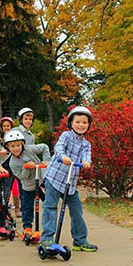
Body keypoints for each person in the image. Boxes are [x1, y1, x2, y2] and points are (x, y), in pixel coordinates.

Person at [40, 106, 98, 252]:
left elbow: (86, 156)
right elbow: (59, 147)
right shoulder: (66, 136)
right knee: (50, 207)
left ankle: (80, 241)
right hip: (54, 178)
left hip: (70, 183)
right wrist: (62, 156)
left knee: (77, 209)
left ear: (88, 125)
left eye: (84, 122)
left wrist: (87, 162)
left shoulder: (86, 144)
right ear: (71, 123)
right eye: (78, 122)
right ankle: (47, 239)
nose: (81, 125)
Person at [5, 130, 50, 235]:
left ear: (23, 144)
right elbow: (22, 177)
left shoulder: (29, 149)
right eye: (12, 146)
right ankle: (27, 228)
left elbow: (44, 147)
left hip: (41, 180)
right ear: (8, 147)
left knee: (49, 204)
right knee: (27, 207)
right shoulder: (13, 163)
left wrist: (46, 160)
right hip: (28, 186)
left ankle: (49, 226)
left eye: (18, 145)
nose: (16, 148)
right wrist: (26, 167)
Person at [0, 117, 21, 217]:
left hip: (15, 165)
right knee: (4, 188)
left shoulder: (16, 137)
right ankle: (3, 208)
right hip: (4, 166)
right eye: (4, 126)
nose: (6, 128)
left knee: (16, 188)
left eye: (8, 126)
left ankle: (17, 208)